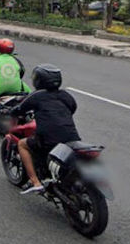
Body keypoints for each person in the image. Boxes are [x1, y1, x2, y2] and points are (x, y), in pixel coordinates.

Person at [11, 64, 80, 195]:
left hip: (47, 139)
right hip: (72, 138)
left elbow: (19, 109)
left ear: (39, 81)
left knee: (22, 144)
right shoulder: (65, 95)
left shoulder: (37, 96)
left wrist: (10, 111)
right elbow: (72, 108)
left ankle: (35, 182)